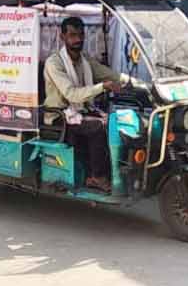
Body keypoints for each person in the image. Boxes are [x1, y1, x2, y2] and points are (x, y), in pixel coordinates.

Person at [43, 16, 132, 192]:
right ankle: (96, 177)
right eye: (72, 35)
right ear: (63, 36)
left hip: (80, 112)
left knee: (115, 122)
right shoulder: (54, 63)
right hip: (59, 116)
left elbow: (110, 74)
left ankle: (113, 170)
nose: (78, 40)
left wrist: (134, 82)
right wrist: (102, 87)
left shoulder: (85, 61)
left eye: (81, 35)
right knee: (98, 127)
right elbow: (72, 94)